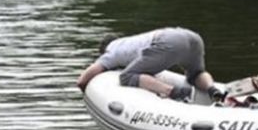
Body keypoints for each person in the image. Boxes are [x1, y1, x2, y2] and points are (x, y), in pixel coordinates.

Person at [76, 28, 226, 102]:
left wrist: (87, 92)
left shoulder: (111, 51)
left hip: (167, 41)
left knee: (126, 76)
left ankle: (176, 92)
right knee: (196, 73)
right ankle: (212, 89)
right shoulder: (128, 42)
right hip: (192, 37)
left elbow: (82, 80)